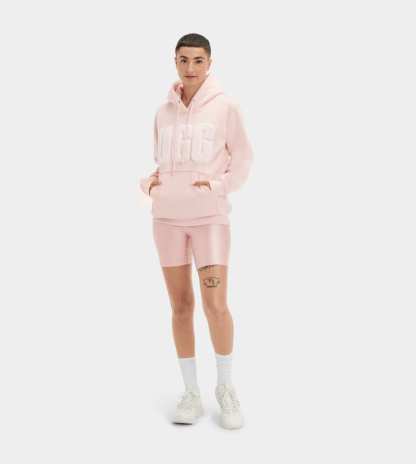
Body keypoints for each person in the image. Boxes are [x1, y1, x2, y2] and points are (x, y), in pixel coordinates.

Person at [139, 33, 253, 429]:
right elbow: (162, 162)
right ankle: (191, 392)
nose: (190, 68)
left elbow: (243, 159)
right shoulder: (162, 112)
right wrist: (151, 184)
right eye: (184, 60)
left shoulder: (226, 107)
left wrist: (219, 186)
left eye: (198, 60)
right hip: (166, 220)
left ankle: (226, 388)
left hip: (209, 220)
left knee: (215, 305)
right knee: (180, 307)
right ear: (175, 61)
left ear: (210, 63)